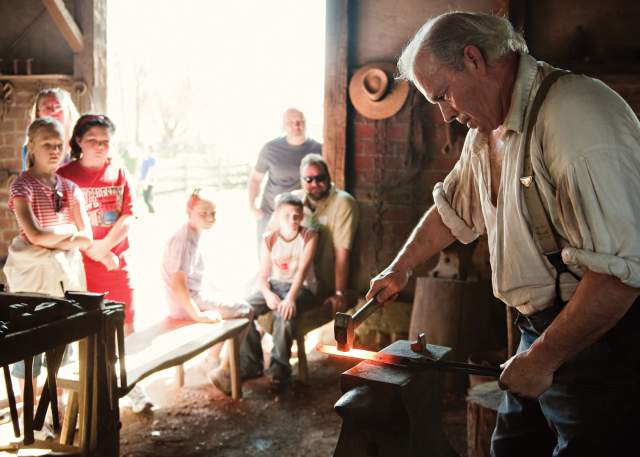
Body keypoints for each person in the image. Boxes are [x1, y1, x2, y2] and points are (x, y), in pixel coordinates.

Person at [367, 11, 640, 456]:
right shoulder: (488, 131)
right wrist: (399, 268)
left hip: (598, 339)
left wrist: (546, 358)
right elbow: (451, 211)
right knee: (512, 448)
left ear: (473, 59)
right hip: (538, 332)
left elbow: (621, 275)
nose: (445, 116)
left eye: (443, 96)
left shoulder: (575, 117)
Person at [57, 114, 151, 413]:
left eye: (105, 141)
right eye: (93, 140)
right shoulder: (64, 175)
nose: (100, 146)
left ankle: (132, 385)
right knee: (80, 333)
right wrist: (91, 251)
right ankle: (77, 400)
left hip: (114, 264)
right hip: (77, 267)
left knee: (126, 326)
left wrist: (104, 248)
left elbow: (128, 215)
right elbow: (60, 222)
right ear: (79, 142)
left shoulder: (118, 172)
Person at [4, 118, 92, 435]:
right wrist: (67, 232)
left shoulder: (70, 188)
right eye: (47, 145)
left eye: (59, 145)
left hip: (65, 273)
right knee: (31, 343)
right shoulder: (22, 186)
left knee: (63, 338)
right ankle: (29, 414)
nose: (55, 151)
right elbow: (34, 234)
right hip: (33, 272)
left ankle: (58, 410)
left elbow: (87, 236)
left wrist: (60, 237)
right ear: (32, 147)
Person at [226, 193, 318, 390]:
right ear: (277, 216)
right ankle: (251, 363)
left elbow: (302, 271)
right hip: (276, 284)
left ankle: (279, 371)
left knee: (284, 314)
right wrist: (267, 294)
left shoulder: (309, 236)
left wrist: (290, 299)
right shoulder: (269, 239)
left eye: (297, 215)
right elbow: (263, 275)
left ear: (302, 216)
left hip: (301, 288)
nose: (292, 220)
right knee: (243, 309)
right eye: (287, 216)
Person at [161, 187, 252, 323]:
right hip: (186, 306)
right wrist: (198, 315)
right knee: (245, 309)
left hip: (195, 297)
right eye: (203, 214)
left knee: (235, 296)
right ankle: (231, 344)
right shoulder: (184, 241)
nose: (210, 218)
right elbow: (177, 284)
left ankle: (226, 343)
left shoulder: (194, 232)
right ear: (189, 212)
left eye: (213, 213)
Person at [291, 154, 359, 314]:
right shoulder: (294, 201)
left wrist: (339, 293)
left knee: (287, 316)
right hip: (294, 280)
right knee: (250, 309)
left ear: (329, 177)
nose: (315, 184)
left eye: (320, 178)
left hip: (322, 283)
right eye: (308, 180)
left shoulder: (343, 202)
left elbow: (342, 254)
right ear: (301, 181)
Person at [247, 108, 321, 247]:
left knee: (297, 261)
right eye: (290, 122)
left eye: (300, 121)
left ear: (306, 123)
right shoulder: (270, 149)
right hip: (270, 213)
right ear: (283, 126)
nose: (296, 125)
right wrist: (252, 207)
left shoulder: (319, 149)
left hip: (301, 216)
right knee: (267, 260)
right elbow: (255, 180)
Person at [20, 88, 79, 171]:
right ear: (38, 113)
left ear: (68, 112)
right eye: (47, 108)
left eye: (58, 107)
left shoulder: (81, 144)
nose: (53, 112)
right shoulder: (30, 148)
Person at [137, 145, 157, 213]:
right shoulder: (146, 158)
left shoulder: (151, 158)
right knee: (146, 197)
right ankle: (150, 211)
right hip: (144, 180)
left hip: (148, 181)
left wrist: (146, 181)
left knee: (146, 198)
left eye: (147, 149)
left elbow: (150, 170)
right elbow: (142, 170)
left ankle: (152, 211)